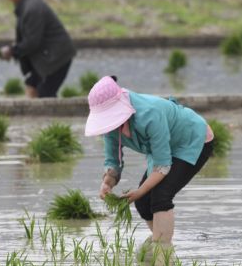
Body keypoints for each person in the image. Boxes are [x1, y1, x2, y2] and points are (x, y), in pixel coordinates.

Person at [86, 76, 214, 249]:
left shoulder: (149, 115)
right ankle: (160, 244)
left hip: (191, 140)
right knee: (143, 202)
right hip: (162, 148)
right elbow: (113, 161)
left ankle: (163, 252)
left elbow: (162, 165)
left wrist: (139, 190)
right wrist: (107, 182)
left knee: (161, 194)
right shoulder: (110, 128)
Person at [0, 0, 76, 99]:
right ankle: (33, 115)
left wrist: (12, 50)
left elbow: (32, 42)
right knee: (31, 85)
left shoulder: (32, 8)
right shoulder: (26, 2)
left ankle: (51, 117)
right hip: (48, 56)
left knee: (45, 93)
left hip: (56, 58)